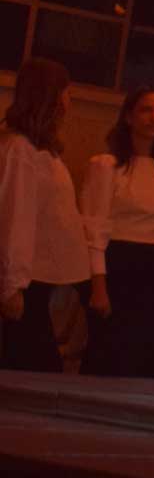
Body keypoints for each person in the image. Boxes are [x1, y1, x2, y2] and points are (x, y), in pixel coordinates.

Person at [79, 87, 154, 378]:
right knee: (111, 350)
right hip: (117, 263)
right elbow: (94, 228)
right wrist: (99, 287)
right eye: (146, 110)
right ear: (128, 117)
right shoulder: (106, 165)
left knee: (148, 354)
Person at [0, 58, 90, 372]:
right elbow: (16, 218)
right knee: (31, 368)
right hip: (28, 281)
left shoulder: (43, 151)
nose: (69, 100)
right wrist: (12, 286)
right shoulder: (20, 149)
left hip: (43, 280)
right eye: (66, 92)